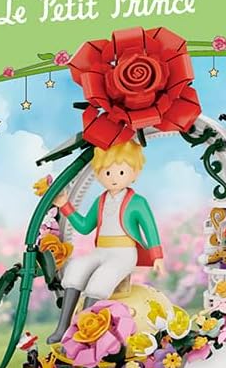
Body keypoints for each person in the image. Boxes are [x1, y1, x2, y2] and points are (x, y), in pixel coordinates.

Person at [48, 140, 163, 343]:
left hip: (124, 253)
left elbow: (150, 229)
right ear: (98, 174)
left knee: (100, 280)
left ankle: (82, 333)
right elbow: (85, 226)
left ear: (135, 173)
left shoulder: (137, 202)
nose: (113, 178)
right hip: (101, 250)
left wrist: (157, 256)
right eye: (107, 172)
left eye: (121, 172)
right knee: (76, 269)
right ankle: (62, 327)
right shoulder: (101, 200)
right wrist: (65, 205)